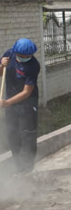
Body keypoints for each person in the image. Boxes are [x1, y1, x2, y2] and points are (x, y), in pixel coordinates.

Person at [0, 39, 41, 174]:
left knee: (27, 135)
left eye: (28, 56)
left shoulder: (34, 65)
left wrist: (7, 103)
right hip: (11, 103)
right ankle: (19, 168)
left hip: (28, 104)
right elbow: (1, 73)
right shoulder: (9, 54)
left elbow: (27, 92)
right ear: (16, 52)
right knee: (13, 134)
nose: (25, 58)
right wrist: (1, 65)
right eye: (22, 56)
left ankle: (27, 170)